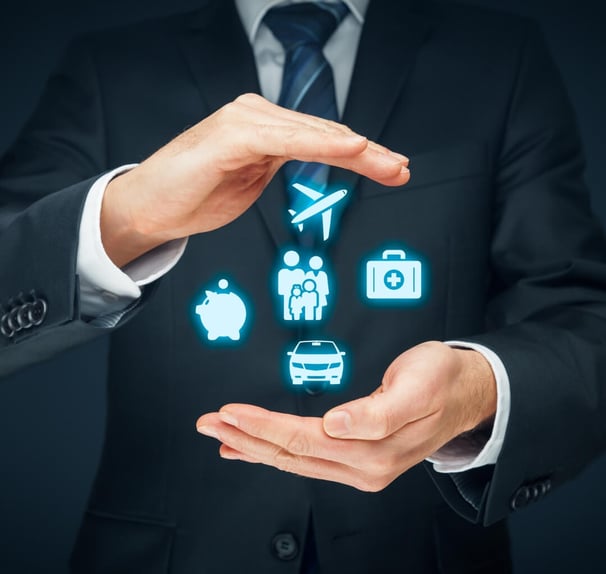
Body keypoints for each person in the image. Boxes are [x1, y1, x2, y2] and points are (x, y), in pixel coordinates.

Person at [0, 1, 605, 573]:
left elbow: (580, 312)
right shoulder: (112, 66)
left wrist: (477, 391)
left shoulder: (500, 58)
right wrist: (127, 216)